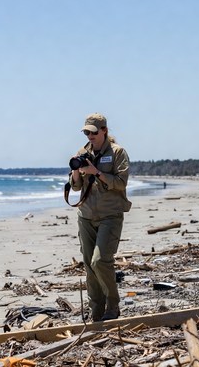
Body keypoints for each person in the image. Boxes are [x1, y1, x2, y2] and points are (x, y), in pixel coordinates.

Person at [69, 113, 132, 321]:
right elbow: (76, 187)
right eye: (86, 132)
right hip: (86, 215)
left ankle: (112, 307)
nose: (89, 136)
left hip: (110, 216)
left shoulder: (117, 153)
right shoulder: (82, 152)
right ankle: (96, 311)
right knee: (89, 264)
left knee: (100, 261)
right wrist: (76, 172)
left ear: (104, 130)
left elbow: (121, 183)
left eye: (93, 132)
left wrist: (96, 172)